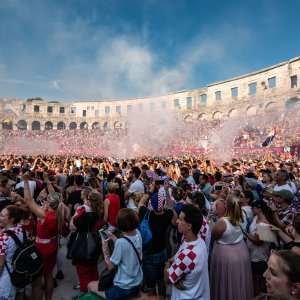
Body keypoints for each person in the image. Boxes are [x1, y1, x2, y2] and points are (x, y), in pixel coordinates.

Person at [23, 173, 70, 300]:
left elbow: (28, 200)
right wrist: (46, 181)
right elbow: (54, 197)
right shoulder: (61, 212)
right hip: (52, 246)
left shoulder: (45, 215)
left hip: (41, 249)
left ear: (49, 203)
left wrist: (25, 182)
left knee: (37, 282)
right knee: (48, 275)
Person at [88, 208, 143, 300]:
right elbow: (128, 245)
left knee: (90, 285)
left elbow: (110, 266)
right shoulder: (138, 233)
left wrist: (105, 249)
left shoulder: (121, 243)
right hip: (136, 283)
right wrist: (113, 237)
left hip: (123, 288)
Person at [210, 194, 253, 300]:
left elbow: (213, 236)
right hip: (241, 250)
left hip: (225, 254)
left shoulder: (222, 222)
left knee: (226, 281)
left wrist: (210, 220)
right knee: (238, 280)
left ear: (227, 205)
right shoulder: (242, 215)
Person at [138, 182, 176, 299]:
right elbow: (170, 207)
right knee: (160, 280)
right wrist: (167, 194)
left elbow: (140, 203)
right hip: (161, 252)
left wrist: (149, 192)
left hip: (149, 253)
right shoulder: (167, 216)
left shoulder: (146, 213)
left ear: (151, 204)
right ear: (163, 204)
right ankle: (163, 298)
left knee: (151, 286)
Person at [164, 204, 210, 300]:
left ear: (189, 226)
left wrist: (169, 261)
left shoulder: (188, 254)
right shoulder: (200, 241)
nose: (177, 221)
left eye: (180, 219)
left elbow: (167, 278)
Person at [70, 190, 104, 294]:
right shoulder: (99, 214)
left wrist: (73, 217)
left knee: (84, 276)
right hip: (94, 248)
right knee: (94, 272)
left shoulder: (87, 216)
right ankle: (95, 295)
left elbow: (71, 226)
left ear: (91, 202)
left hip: (84, 248)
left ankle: (85, 296)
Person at [0, 205, 27, 300]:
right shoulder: (22, 229)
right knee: (20, 294)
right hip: (20, 273)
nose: (0, 217)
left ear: (11, 219)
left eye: (2, 216)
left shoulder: (3, 237)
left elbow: (0, 265)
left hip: (7, 279)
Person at [245, 200, 271, 295]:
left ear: (259, 209)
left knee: (258, 282)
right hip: (253, 254)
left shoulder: (264, 223)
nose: (251, 209)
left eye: (253, 207)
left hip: (259, 257)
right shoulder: (256, 217)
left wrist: (245, 233)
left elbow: (258, 241)